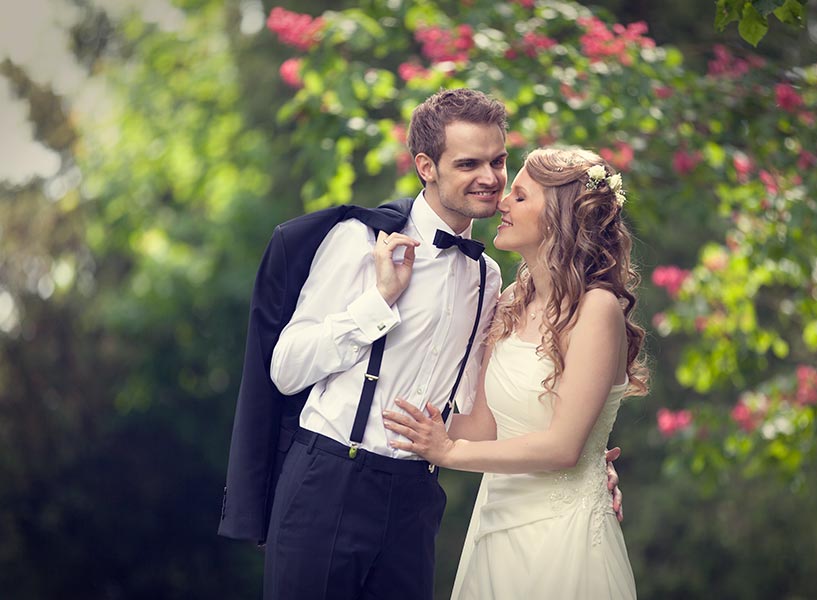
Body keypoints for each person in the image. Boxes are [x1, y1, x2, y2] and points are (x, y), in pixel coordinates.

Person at [255, 88, 623, 600]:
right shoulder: (360, 241)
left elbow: (488, 409)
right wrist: (379, 301)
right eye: (469, 163)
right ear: (426, 165)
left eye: (498, 161)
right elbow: (286, 369)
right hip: (330, 480)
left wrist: (585, 463)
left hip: (417, 499)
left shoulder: (492, 279)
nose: (491, 179)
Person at [383, 146, 648, 599]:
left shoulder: (597, 310)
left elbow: (564, 448)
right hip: (496, 527)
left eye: (520, 196)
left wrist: (447, 452)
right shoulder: (509, 301)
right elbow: (485, 427)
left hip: (563, 538)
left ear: (560, 217)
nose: (502, 201)